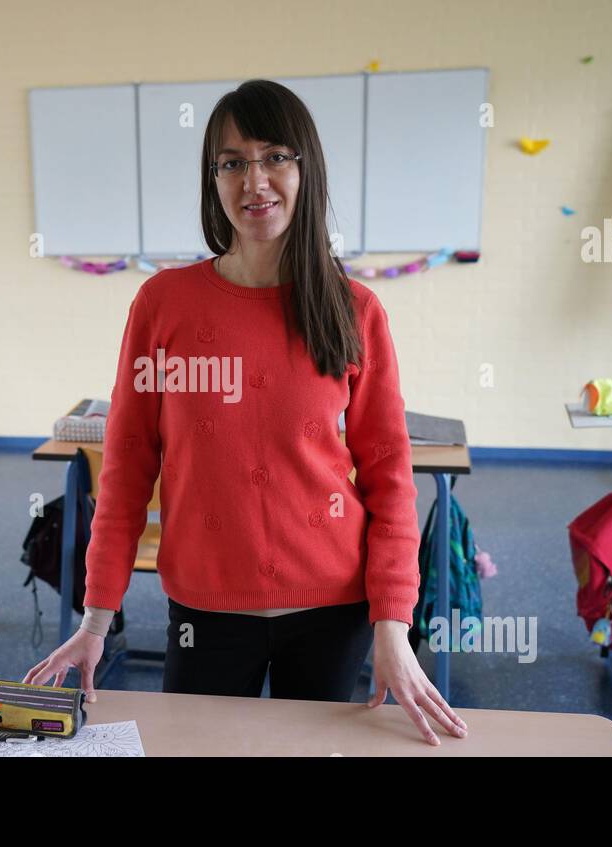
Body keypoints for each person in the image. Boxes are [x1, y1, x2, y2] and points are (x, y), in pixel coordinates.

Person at [26, 79, 466, 745]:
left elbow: (389, 478)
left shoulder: (354, 311)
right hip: (205, 606)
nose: (253, 180)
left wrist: (393, 626)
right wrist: (94, 620)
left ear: (305, 168)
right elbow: (125, 468)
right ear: (214, 179)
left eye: (274, 157)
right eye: (232, 162)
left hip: (333, 608)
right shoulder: (163, 304)